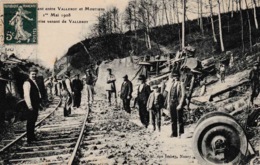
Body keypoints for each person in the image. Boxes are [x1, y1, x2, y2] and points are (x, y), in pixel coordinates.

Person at [23, 67, 41, 144]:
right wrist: (29, 106)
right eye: (32, 74)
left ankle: (32, 136)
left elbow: (37, 93)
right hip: (31, 105)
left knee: (33, 120)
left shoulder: (34, 82)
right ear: (29, 74)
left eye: (35, 74)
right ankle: (29, 138)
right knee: (30, 121)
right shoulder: (27, 83)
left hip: (35, 104)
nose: (34, 75)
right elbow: (26, 95)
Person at [168, 71, 186, 138]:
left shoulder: (181, 84)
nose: (175, 78)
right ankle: (174, 133)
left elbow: (183, 95)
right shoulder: (171, 84)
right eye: (174, 76)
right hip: (172, 103)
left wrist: (180, 104)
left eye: (176, 76)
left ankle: (180, 133)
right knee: (173, 119)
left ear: (179, 76)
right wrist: (168, 103)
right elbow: (169, 95)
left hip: (177, 103)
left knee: (179, 118)